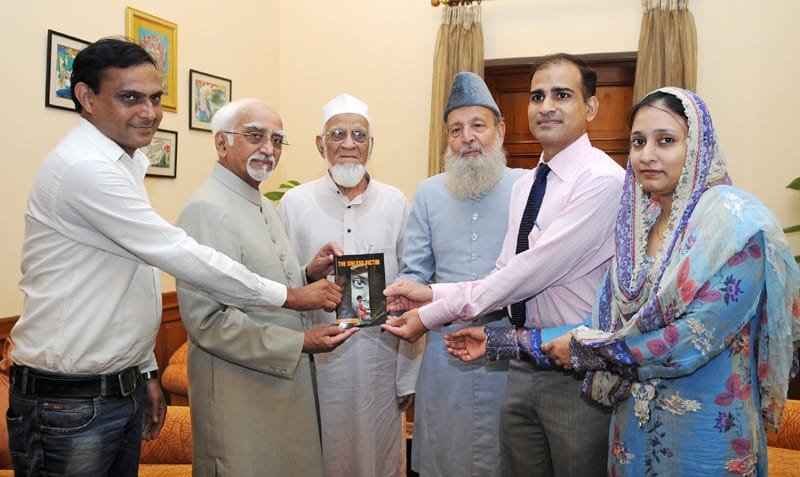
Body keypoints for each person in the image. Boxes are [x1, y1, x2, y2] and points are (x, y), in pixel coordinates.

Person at [8, 38, 340, 477]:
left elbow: (132, 283)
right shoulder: (85, 168)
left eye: (155, 98)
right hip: (71, 399)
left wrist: (144, 371)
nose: (148, 111)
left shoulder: (126, 165)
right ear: (86, 97)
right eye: (130, 97)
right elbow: (179, 256)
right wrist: (291, 297)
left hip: (114, 389)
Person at [447, 87, 800, 476]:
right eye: (638, 141)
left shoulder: (736, 227)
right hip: (632, 434)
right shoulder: (636, 230)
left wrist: (587, 352)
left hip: (708, 440)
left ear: (699, 146)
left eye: (666, 141)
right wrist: (500, 341)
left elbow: (689, 342)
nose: (647, 155)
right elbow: (603, 327)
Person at [383, 54, 626, 476]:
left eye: (561, 95)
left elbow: (531, 271)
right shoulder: (530, 184)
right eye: (537, 96)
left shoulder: (603, 181)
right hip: (520, 360)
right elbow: (504, 271)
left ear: (590, 107)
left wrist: (431, 311)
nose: (547, 106)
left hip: (574, 369)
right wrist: (428, 293)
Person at [176, 98, 358, 476]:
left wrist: (308, 274)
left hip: (278, 389)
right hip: (241, 397)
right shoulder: (207, 208)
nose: (269, 149)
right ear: (222, 142)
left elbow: (261, 288)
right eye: (256, 136)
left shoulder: (258, 202)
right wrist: (301, 342)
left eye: (277, 140)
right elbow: (208, 321)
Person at [278, 93, 423, 477]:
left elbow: (412, 287)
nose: (348, 144)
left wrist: (407, 377)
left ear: (371, 145)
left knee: (380, 459)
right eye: (337, 134)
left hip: (380, 365)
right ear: (319, 144)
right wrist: (310, 272)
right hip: (318, 366)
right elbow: (278, 286)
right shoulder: (294, 204)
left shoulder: (395, 204)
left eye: (359, 135)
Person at [397, 71, 524, 477]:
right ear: (448, 139)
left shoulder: (528, 188)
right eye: (456, 129)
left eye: (478, 126)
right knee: (445, 458)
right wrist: (402, 298)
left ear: (500, 131)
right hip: (444, 351)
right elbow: (414, 272)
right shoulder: (429, 192)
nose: (467, 137)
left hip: (509, 351)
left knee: (511, 456)